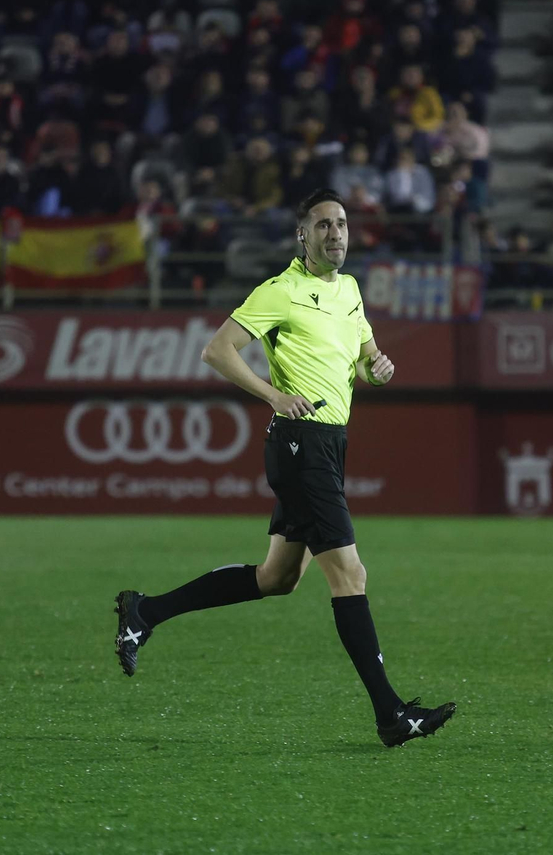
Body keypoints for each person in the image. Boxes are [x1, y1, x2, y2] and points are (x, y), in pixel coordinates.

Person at [114, 188, 457, 749]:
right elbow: (218, 350)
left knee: (277, 578)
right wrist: (272, 395)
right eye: (323, 225)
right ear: (303, 235)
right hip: (300, 442)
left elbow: (364, 362)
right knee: (350, 576)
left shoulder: (349, 291)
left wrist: (378, 370)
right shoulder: (281, 291)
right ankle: (391, 714)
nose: (335, 233)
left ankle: (145, 611)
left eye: (341, 224)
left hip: (327, 443)